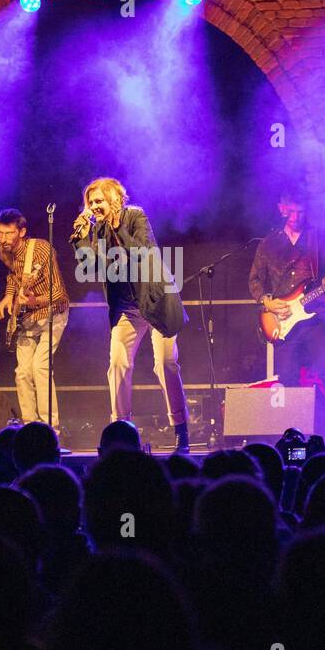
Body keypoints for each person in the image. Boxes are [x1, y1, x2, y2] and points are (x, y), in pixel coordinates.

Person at [71, 177, 189, 452]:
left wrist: (115, 226)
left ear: (114, 199)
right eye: (91, 202)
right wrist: (80, 239)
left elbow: (142, 252)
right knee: (118, 364)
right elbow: (90, 269)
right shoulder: (97, 230)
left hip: (155, 300)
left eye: (99, 200)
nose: (94, 206)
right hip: (126, 307)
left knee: (165, 363)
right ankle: (121, 431)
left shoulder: (135, 216)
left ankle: (181, 429)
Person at [248, 188, 325, 427]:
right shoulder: (268, 243)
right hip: (282, 321)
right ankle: (291, 430)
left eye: (301, 212)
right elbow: (254, 281)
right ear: (282, 210)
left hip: (316, 315)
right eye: (292, 212)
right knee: (288, 377)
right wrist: (268, 301)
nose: (296, 217)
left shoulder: (317, 238)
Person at [0, 208, 70, 432]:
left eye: (9, 233)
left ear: (22, 232)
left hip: (52, 313)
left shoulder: (41, 250)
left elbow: (59, 294)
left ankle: (50, 429)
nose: (3, 239)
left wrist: (32, 301)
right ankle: (30, 427)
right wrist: (9, 295)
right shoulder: (4, 250)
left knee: (40, 367)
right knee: (22, 372)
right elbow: (13, 276)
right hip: (27, 318)